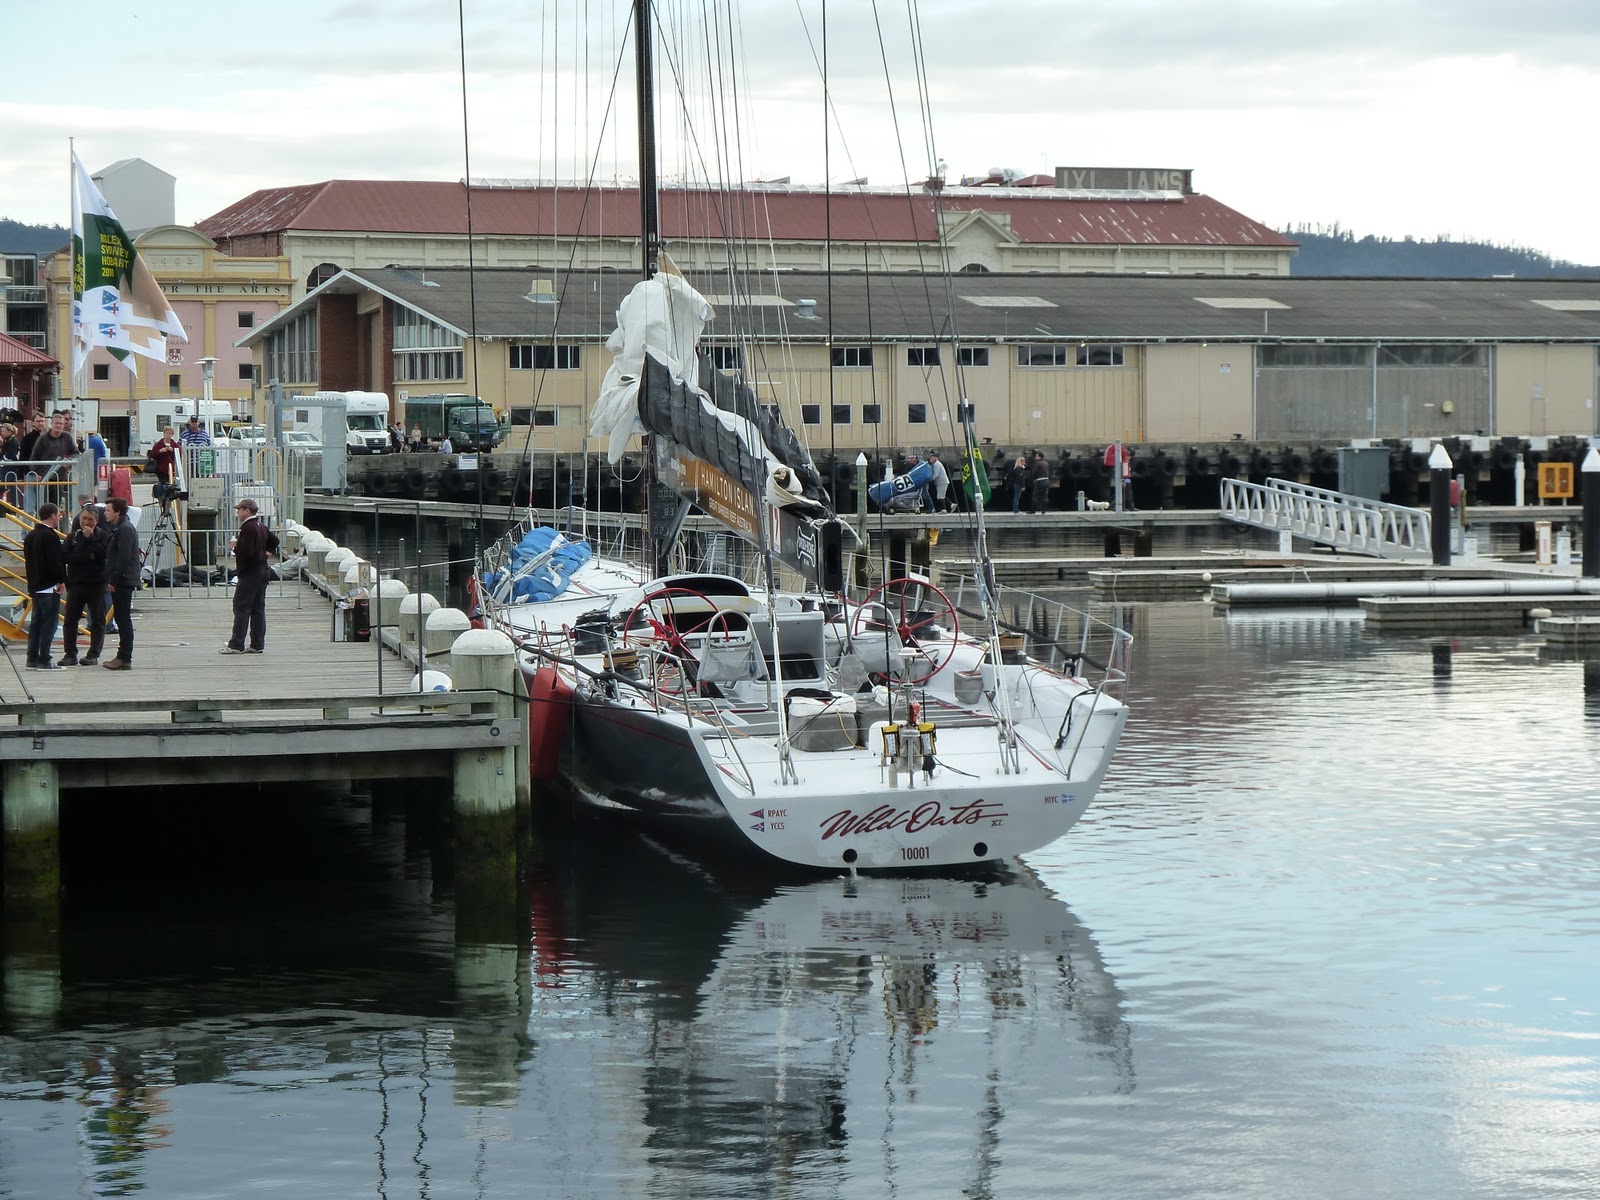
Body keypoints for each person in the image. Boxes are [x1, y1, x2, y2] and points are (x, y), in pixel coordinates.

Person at [220, 497, 279, 655]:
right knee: (258, 608)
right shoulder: (260, 525)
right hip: (262, 571)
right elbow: (274, 540)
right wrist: (266, 552)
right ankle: (257, 644)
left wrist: (234, 547)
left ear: (247, 511)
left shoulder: (248, 528)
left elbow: (246, 552)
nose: (238, 512)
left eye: (239, 509)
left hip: (250, 572)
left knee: (241, 606)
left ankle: (236, 644)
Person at [60, 505, 108, 666]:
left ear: (96, 521)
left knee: (97, 619)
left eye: (90, 519)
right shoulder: (72, 536)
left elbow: (102, 556)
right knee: (70, 620)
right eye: (84, 518)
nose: (86, 522)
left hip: (96, 584)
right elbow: (66, 557)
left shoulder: (102, 536)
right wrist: (87, 556)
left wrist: (91, 539)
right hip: (76, 583)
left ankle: (93, 653)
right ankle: (70, 654)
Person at [23, 502, 66, 669]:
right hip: (49, 586)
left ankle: (31, 658)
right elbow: (55, 562)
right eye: (57, 515)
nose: (59, 517)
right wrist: (61, 581)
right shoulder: (50, 536)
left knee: (36, 623)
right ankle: (44, 658)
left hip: (35, 585)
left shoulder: (31, 535)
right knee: (49, 623)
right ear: (52, 515)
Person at [101, 496, 140, 670]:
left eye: (108, 510)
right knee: (121, 617)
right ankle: (122, 655)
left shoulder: (124, 529)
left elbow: (123, 557)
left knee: (123, 619)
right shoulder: (118, 527)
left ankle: (124, 657)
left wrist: (114, 580)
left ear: (118, 512)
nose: (105, 513)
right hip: (121, 579)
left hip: (124, 580)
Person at [148, 427, 181, 500]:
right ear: (164, 434)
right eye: (167, 433)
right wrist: (160, 451)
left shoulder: (174, 444)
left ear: (172, 435)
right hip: (161, 469)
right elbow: (152, 454)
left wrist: (172, 450)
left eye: (170, 433)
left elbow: (180, 454)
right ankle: (163, 499)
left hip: (172, 469)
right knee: (163, 486)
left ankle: (170, 500)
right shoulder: (159, 444)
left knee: (171, 486)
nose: (168, 435)